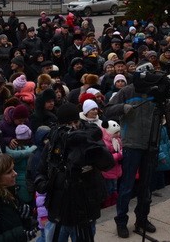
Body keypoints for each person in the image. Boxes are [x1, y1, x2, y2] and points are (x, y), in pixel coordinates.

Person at [36, 103, 114, 242]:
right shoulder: (55, 141)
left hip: (85, 203)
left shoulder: (89, 136)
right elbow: (41, 169)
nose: (73, 127)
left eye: (75, 122)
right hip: (59, 205)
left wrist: (87, 145)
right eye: (68, 124)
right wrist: (42, 183)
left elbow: (107, 164)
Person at [107, 63, 164, 238]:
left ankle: (142, 218)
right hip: (132, 144)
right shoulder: (126, 91)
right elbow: (108, 109)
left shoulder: (155, 90)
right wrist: (123, 108)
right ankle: (121, 220)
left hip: (151, 143)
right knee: (127, 185)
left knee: (146, 186)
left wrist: (167, 103)